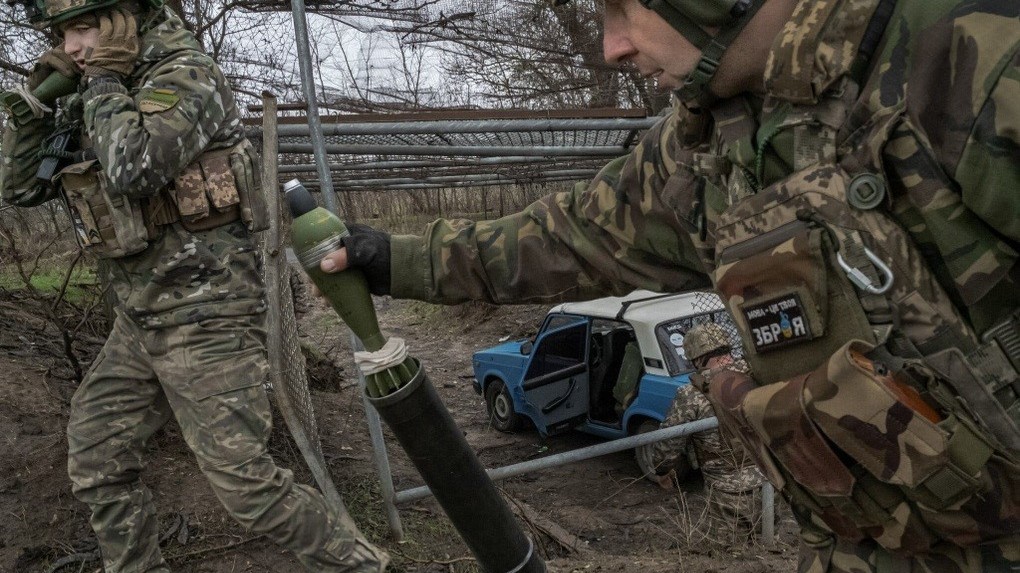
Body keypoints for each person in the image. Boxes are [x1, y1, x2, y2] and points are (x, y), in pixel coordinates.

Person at [322, 0, 1020, 571]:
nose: (612, 47)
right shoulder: (702, 148)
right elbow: (559, 238)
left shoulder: (965, 54)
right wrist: (395, 259)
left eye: (625, 8)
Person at [0, 1, 388, 571]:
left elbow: (134, 168)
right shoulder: (94, 93)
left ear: (122, 21)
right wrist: (34, 105)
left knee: (247, 489)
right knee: (97, 459)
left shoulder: (185, 76)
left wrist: (103, 78)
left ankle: (365, 566)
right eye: (63, 34)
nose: (73, 46)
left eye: (83, 29)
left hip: (208, 320)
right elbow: (22, 189)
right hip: (140, 321)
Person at [651, 323, 769, 546]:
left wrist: (662, 470)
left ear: (696, 358)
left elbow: (669, 441)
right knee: (769, 547)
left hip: (727, 491)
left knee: (728, 555)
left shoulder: (691, 393)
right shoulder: (756, 375)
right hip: (770, 482)